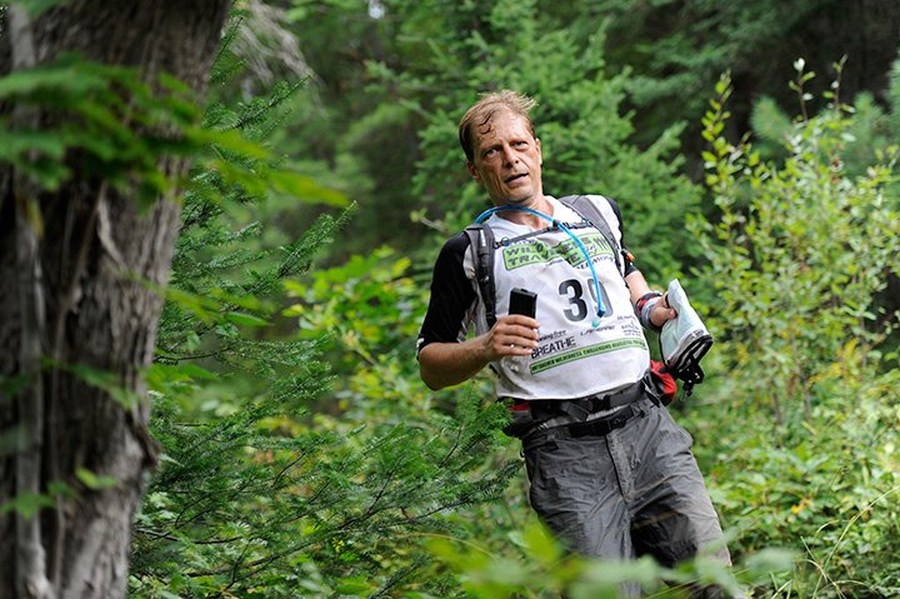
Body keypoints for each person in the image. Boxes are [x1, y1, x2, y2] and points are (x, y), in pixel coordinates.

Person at [416, 90, 738, 597]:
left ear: (538, 149)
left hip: (649, 429)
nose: (510, 158)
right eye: (492, 152)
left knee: (713, 584)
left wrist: (653, 308)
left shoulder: (595, 212)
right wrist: (485, 347)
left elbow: (627, 273)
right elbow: (431, 364)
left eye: (518, 144)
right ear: (475, 172)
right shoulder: (469, 251)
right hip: (563, 453)